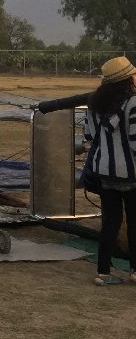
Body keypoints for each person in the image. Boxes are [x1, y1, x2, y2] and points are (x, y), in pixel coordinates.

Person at [83, 55, 136, 286]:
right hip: (131, 174)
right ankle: (135, 270)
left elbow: (88, 136)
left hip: (104, 172)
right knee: (133, 222)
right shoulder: (133, 103)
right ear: (127, 79)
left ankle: (103, 271)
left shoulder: (94, 104)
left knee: (110, 223)